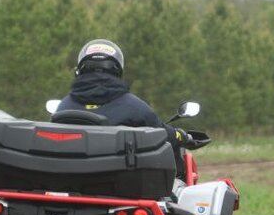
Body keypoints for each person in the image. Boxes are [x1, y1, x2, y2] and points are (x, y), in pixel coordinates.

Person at [57, 39, 189, 143]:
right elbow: (162, 134)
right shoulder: (135, 107)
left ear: (79, 70)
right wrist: (181, 136)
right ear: (118, 70)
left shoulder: (64, 107)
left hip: (69, 176)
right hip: (121, 177)